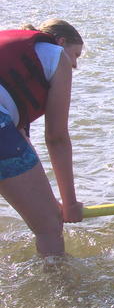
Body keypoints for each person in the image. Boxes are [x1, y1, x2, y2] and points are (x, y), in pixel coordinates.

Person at [0, 19, 84, 258]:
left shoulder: (14, 63)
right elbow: (56, 138)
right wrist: (68, 205)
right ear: (61, 42)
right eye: (76, 55)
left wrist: (47, 199)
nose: (75, 64)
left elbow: (21, 146)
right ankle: (63, 291)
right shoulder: (56, 56)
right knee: (49, 227)